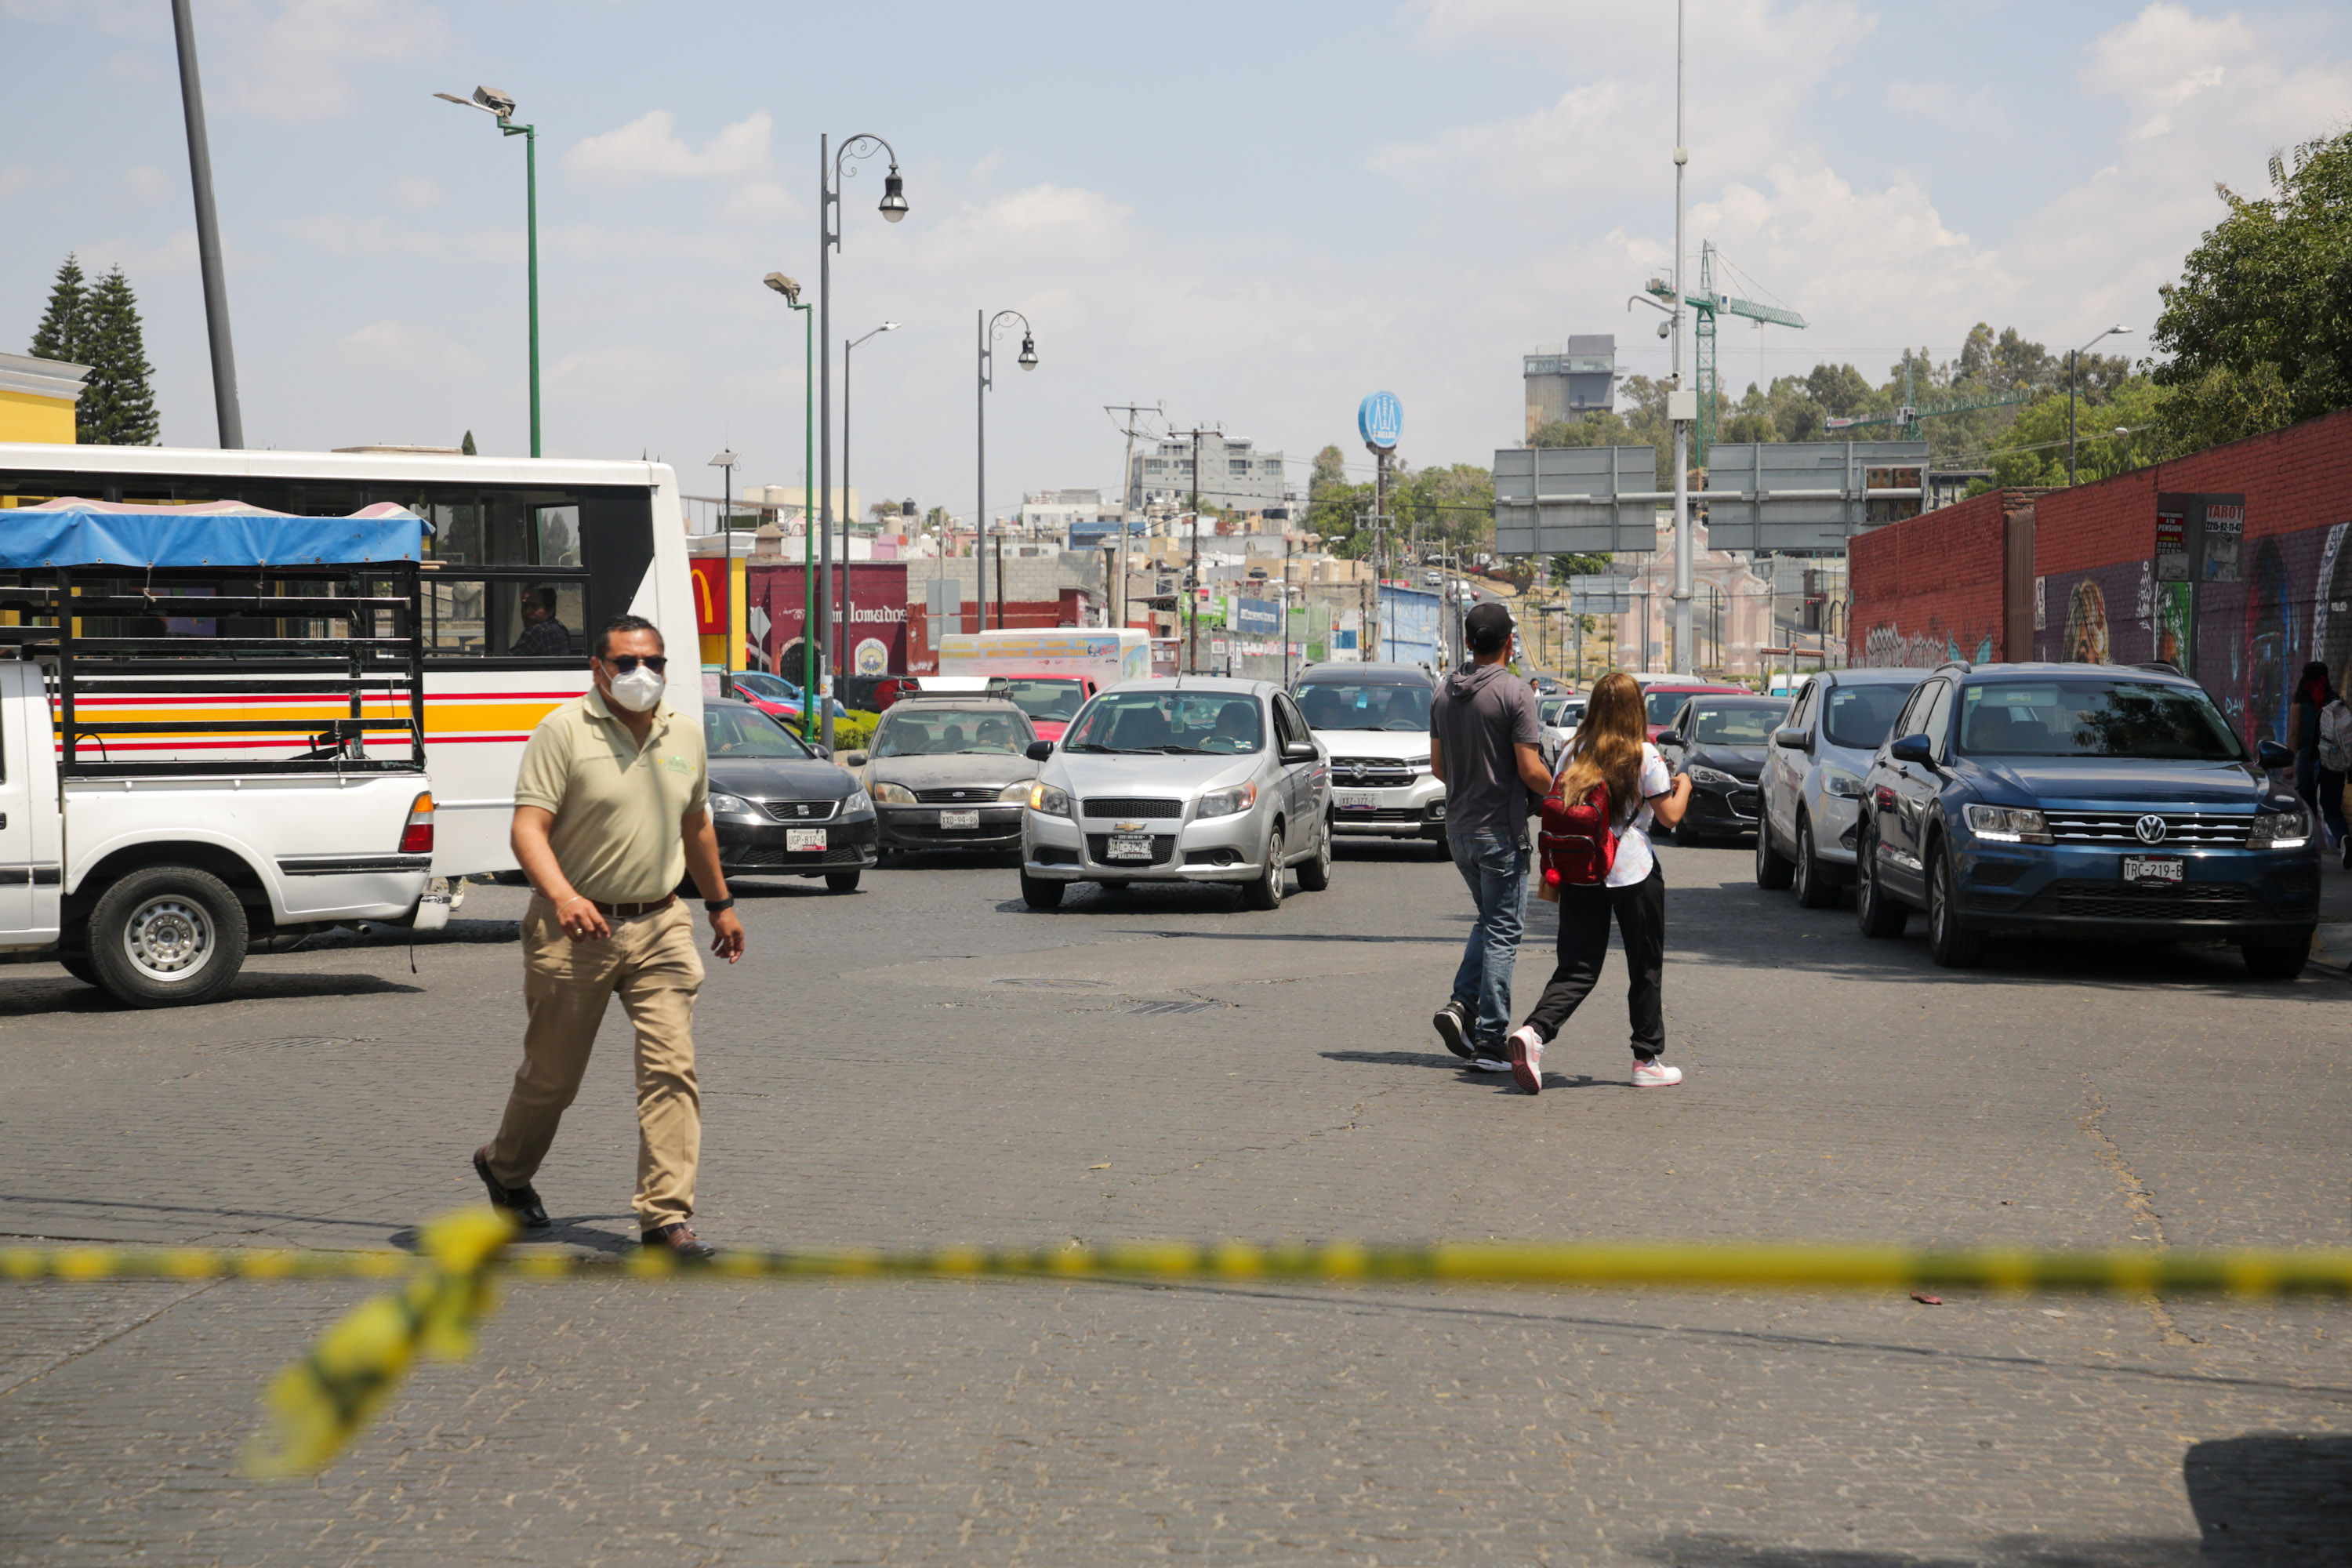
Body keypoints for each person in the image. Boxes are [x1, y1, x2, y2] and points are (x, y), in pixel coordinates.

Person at [473, 615, 748, 1258]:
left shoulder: (684, 733)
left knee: (671, 1070)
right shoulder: (563, 731)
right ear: (597, 669)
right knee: (553, 1079)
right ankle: (505, 1168)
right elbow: (528, 830)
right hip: (574, 928)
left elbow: (696, 824)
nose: (640, 674)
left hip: (662, 924)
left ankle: (665, 1218)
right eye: (625, 663)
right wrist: (565, 896)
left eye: (652, 661)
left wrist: (721, 905)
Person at [1504, 670, 1693, 1094]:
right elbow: (1671, 817)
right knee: (1643, 966)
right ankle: (1645, 1059)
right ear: (1634, 710)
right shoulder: (1645, 755)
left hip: (1582, 870)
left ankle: (1534, 1033)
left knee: (1577, 966)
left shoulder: (1575, 750)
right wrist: (1685, 786)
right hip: (1632, 871)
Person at [1429, 601, 1553, 1071]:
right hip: (1500, 833)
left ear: (1467, 642)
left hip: (1459, 832)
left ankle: (1461, 1005)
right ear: (1509, 643)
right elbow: (1530, 769)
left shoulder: (1444, 692)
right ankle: (1489, 1040)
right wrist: (1565, 788)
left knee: (1489, 920)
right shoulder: (1515, 693)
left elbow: (1440, 767)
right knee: (1504, 931)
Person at [2316, 668, 2352, 864]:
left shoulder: (2304, 702)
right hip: (2337, 765)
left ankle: (2340, 839)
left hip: (2318, 763)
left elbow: (2298, 734)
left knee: (2320, 806)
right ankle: (2343, 838)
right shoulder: (2338, 705)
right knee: (2332, 806)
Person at [510, 585, 572, 657]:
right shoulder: (561, 628)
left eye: (534, 606)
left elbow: (507, 663)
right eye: (525, 606)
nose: (527, 612)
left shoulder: (537, 632)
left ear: (550, 611)